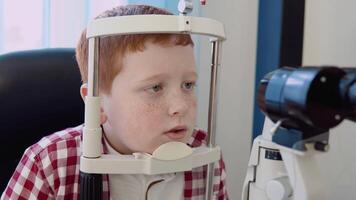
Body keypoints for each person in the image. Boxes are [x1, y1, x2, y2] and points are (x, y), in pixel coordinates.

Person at [1, 4, 228, 200]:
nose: (180, 106)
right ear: (97, 104)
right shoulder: (50, 163)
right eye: (155, 88)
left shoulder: (203, 156)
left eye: (188, 85)